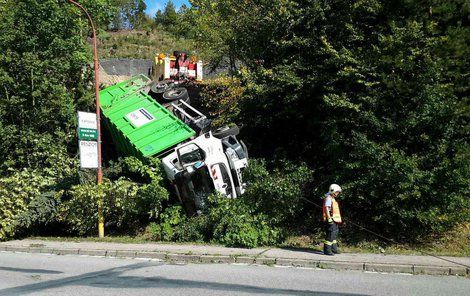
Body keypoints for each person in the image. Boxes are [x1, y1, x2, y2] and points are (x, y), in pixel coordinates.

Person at [323, 184, 342, 255]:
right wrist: (329, 218)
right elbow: (327, 209)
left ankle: (334, 249)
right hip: (331, 219)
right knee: (330, 234)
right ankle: (327, 250)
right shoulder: (328, 198)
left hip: (335, 220)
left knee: (334, 234)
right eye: (337, 192)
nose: (338, 193)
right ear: (333, 191)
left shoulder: (332, 198)